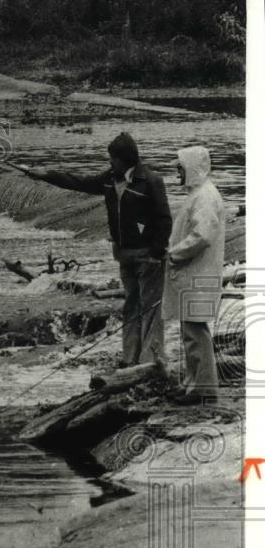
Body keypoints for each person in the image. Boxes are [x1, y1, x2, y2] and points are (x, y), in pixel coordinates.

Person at [28, 132, 172, 368]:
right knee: (131, 306)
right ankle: (130, 359)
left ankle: (151, 361)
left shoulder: (151, 181)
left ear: (126, 159)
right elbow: (77, 182)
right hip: (124, 256)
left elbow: (164, 220)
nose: (110, 163)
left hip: (149, 258)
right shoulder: (108, 179)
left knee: (150, 310)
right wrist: (46, 176)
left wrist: (157, 252)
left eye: (113, 158)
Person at [163, 146, 226, 405]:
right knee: (190, 330)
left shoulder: (205, 197)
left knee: (196, 332)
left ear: (191, 168)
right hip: (194, 274)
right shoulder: (199, 194)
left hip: (198, 274)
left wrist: (174, 253)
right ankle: (193, 384)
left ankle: (205, 389)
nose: (177, 171)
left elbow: (202, 236)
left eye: (180, 167)